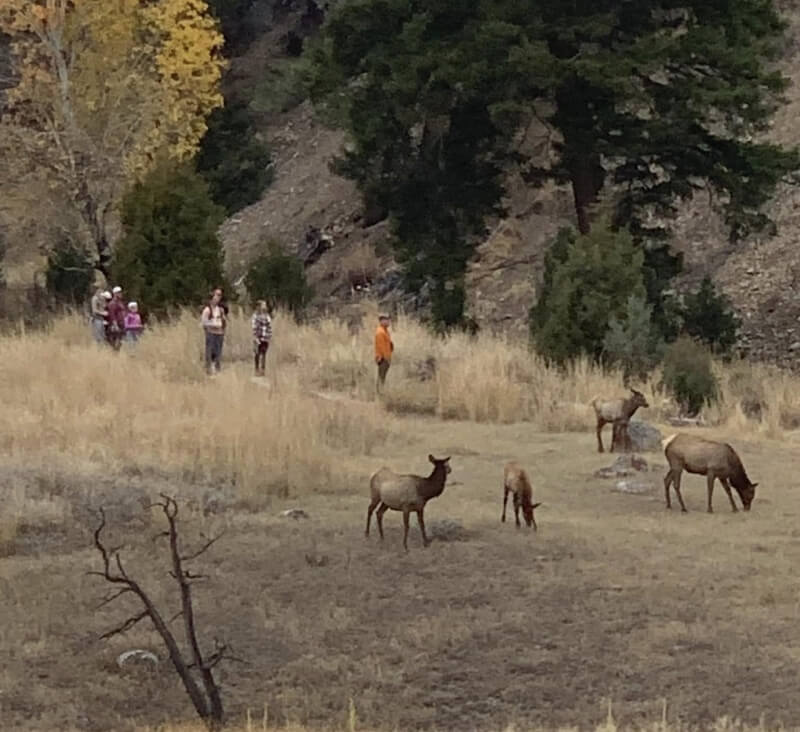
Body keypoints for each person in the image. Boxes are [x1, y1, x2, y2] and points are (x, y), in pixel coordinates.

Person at [201, 288, 227, 374]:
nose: (218, 297)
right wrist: (209, 329)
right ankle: (209, 370)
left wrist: (223, 330)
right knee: (209, 353)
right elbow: (204, 323)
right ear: (212, 296)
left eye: (220, 295)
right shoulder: (207, 310)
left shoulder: (221, 310)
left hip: (219, 333)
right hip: (211, 333)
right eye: (217, 295)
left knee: (218, 353)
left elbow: (224, 322)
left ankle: (217, 370)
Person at [251, 299, 273, 377]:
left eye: (265, 305)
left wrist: (269, 336)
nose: (264, 307)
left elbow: (269, 326)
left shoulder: (267, 316)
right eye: (263, 305)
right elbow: (254, 327)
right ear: (258, 306)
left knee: (264, 353)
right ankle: (257, 369)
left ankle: (263, 370)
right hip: (258, 337)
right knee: (257, 353)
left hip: (265, 337)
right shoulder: (255, 316)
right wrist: (255, 337)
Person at [374, 313, 394, 392]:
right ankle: (379, 394)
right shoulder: (380, 332)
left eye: (389, 320)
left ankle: (380, 392)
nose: (389, 321)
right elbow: (381, 348)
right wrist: (387, 359)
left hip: (386, 358)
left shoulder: (385, 331)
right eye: (387, 320)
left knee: (382, 377)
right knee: (381, 377)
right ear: (382, 321)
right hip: (382, 359)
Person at [106, 286, 126, 351]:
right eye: (119, 292)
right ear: (115, 294)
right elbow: (112, 315)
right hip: (116, 325)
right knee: (115, 342)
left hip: (122, 324)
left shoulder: (120, 302)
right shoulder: (112, 303)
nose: (121, 294)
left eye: (120, 292)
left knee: (120, 342)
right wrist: (115, 325)